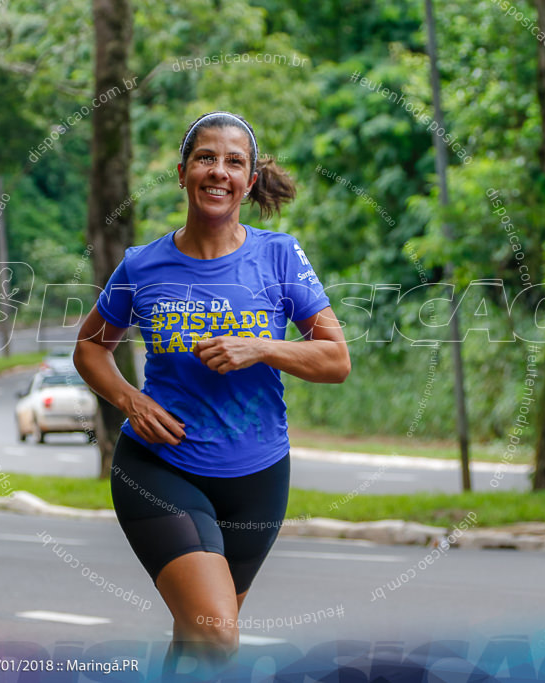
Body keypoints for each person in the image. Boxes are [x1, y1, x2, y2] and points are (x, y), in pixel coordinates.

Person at [73, 111, 351, 674]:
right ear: (182, 173)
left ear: (249, 181)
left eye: (233, 161)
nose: (217, 171)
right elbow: (89, 348)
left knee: (198, 642)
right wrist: (131, 401)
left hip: (257, 477)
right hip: (159, 466)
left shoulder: (279, 256)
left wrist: (262, 347)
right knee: (217, 635)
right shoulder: (142, 265)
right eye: (205, 158)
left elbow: (335, 360)